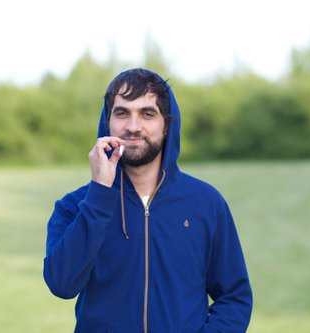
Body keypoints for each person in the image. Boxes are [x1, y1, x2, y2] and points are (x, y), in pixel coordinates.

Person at [43, 68, 253, 333]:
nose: (133, 126)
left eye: (147, 114)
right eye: (122, 113)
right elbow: (62, 284)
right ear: (107, 122)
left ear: (166, 125)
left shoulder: (206, 203)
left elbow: (234, 297)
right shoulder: (74, 207)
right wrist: (99, 194)